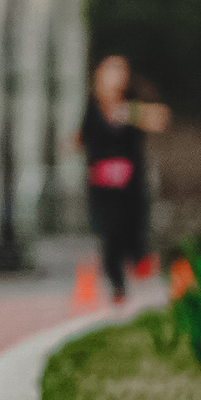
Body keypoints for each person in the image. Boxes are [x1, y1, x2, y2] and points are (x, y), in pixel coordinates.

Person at [79, 55, 167, 302]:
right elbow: (85, 136)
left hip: (131, 182)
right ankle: (117, 283)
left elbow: (160, 119)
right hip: (103, 186)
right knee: (110, 233)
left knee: (133, 228)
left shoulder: (134, 102)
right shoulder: (93, 105)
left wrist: (129, 113)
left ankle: (138, 260)